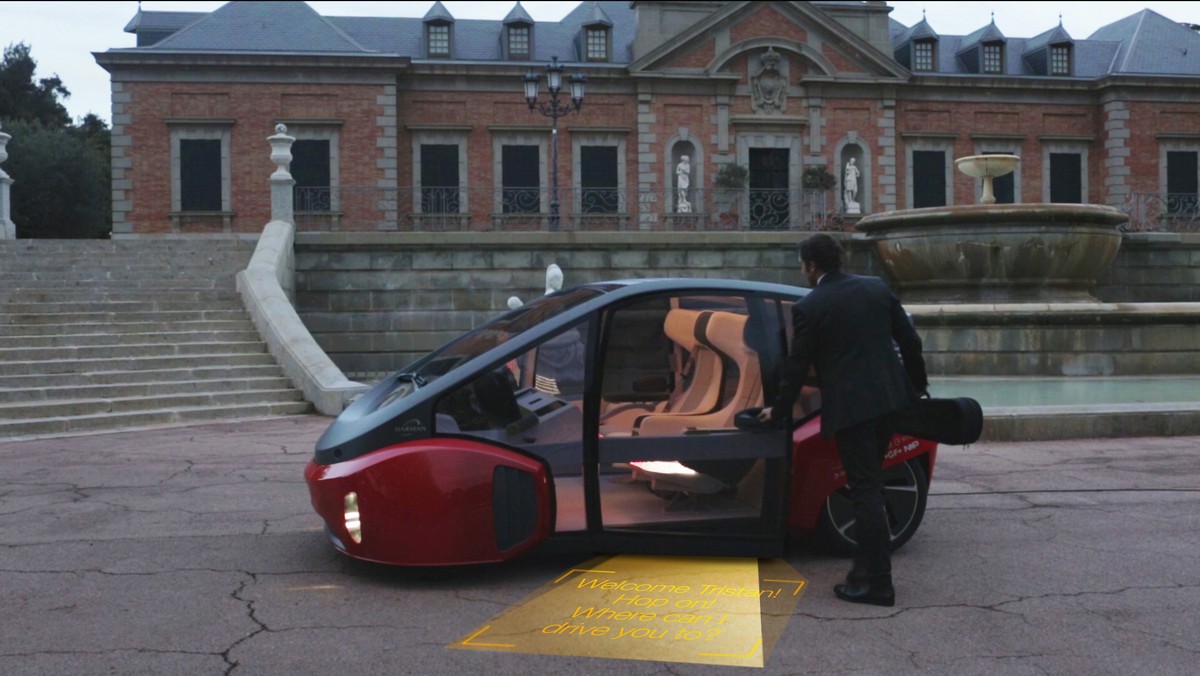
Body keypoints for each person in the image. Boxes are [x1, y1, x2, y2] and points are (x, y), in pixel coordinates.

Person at [758, 234, 927, 607]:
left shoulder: (810, 306)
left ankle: (879, 583)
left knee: (865, 490)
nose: (803, 270)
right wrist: (917, 386)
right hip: (890, 402)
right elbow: (910, 343)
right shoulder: (875, 288)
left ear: (811, 266)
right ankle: (863, 574)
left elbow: (797, 366)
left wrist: (779, 409)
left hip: (853, 411)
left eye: (803, 265)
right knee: (870, 485)